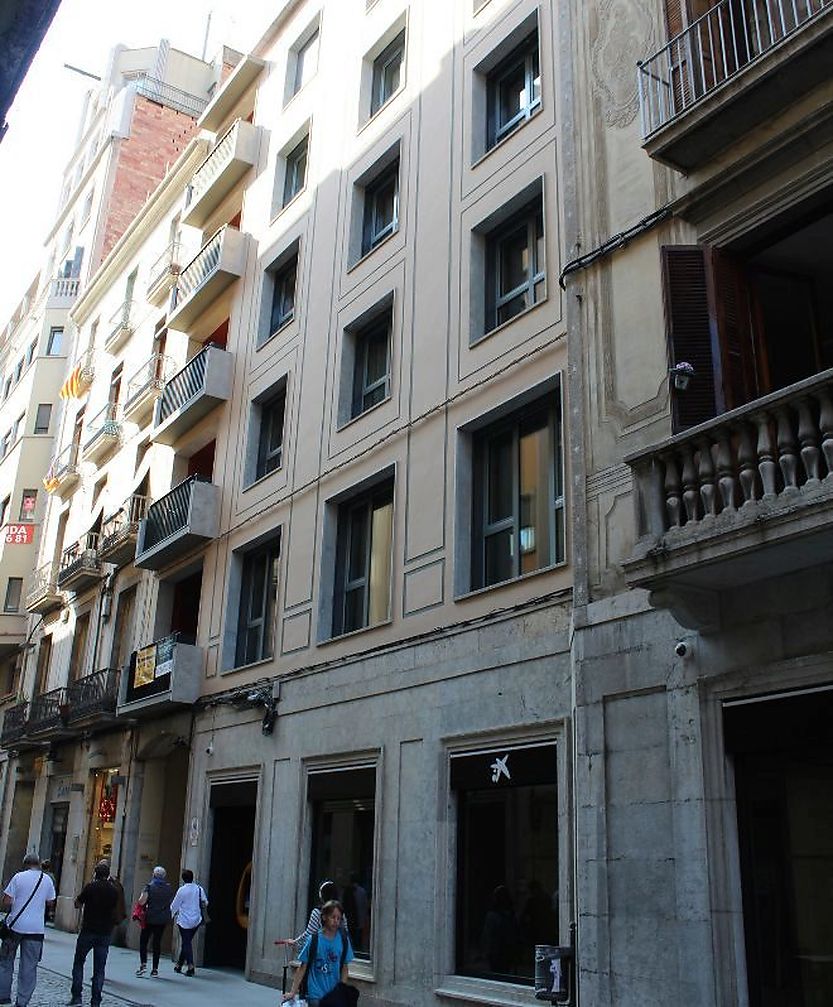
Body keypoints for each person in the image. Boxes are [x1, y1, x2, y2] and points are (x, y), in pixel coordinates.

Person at [0, 852, 56, 1007]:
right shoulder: (47, 880)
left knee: (5, 961)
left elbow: (7, 900)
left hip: (15, 926)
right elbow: (51, 901)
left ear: (25, 864)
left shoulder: (18, 877)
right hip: (36, 929)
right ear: (38, 864)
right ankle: (22, 1001)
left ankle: (3, 995)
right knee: (29, 965)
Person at [282, 900, 354, 1007]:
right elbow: (302, 967)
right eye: (333, 917)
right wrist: (293, 992)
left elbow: (344, 967)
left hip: (333, 994)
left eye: (339, 918)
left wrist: (342, 990)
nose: (336, 921)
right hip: (315, 994)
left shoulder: (343, 940)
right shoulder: (314, 939)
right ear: (324, 917)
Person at [67, 860, 118, 1007]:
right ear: (108, 875)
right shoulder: (113, 890)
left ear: (95, 874)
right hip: (105, 932)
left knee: (78, 963)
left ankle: (76, 997)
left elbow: (77, 903)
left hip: (88, 930)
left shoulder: (91, 887)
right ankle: (96, 1001)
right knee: (99, 969)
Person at [275, 880, 349, 951]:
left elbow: (309, 934)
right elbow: (345, 934)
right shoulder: (341, 913)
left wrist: (295, 942)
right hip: (336, 952)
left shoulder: (317, 912)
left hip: (320, 953)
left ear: (321, 895)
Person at [135, 866, 173, 977]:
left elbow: (141, 902)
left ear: (154, 875)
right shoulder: (168, 888)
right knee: (157, 943)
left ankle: (143, 965)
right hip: (162, 919)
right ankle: (155, 969)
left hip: (150, 918)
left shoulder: (149, 887)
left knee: (144, 941)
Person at [170, 869, 207, 977]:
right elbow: (205, 902)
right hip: (196, 920)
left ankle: (190, 966)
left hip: (184, 920)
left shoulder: (182, 890)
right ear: (192, 877)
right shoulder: (199, 889)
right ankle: (179, 965)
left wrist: (170, 916)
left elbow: (174, 905)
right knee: (187, 942)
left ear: (183, 879)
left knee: (186, 942)